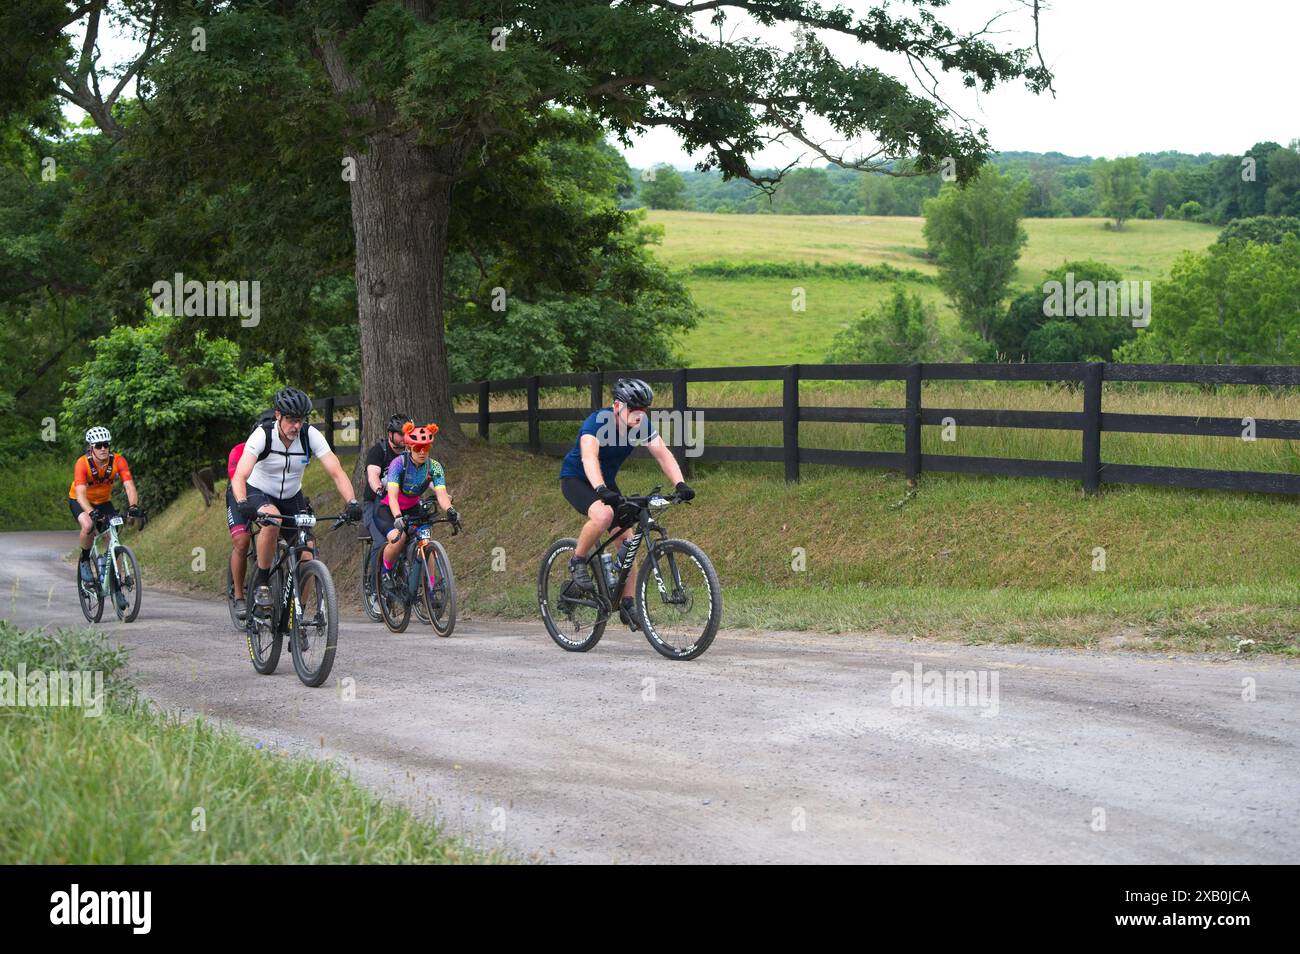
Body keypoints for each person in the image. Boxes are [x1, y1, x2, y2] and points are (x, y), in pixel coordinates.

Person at [558, 378, 694, 630]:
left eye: (644, 411)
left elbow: (663, 454)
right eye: (634, 410)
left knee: (628, 542)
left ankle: (628, 604)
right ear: (618, 406)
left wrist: (680, 484)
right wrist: (600, 489)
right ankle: (577, 560)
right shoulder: (599, 422)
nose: (639, 416)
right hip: (577, 478)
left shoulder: (641, 424)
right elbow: (589, 458)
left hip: (605, 483)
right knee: (602, 517)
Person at [230, 387, 363, 616]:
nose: (297, 426)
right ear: (278, 415)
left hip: (292, 496)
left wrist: (351, 502)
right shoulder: (263, 434)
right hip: (259, 490)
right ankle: (262, 582)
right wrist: (242, 502)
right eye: (291, 419)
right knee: (271, 522)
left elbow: (337, 472)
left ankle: (296, 616)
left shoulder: (309, 435)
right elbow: (240, 474)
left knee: (307, 552)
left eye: (301, 420)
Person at [376, 422, 460, 589]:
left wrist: (450, 510)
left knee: (426, 541)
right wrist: (398, 517)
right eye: (418, 448)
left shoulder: (434, 466)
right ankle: (385, 572)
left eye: (426, 448)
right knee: (399, 539)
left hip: (414, 508)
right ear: (409, 447)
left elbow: (442, 495)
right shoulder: (398, 464)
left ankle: (432, 588)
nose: (422, 452)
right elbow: (392, 496)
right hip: (389, 510)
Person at [69, 426, 142, 589]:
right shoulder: (82, 464)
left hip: (103, 502)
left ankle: (117, 579)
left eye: (106, 445)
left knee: (113, 535)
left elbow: (129, 485)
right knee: (88, 525)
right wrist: (90, 512)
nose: (103, 448)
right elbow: (80, 494)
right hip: (80, 501)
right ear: (91, 448)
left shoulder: (118, 460)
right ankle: (85, 561)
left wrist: (133, 506)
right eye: (98, 445)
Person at [225, 409, 275, 620]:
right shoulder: (240, 450)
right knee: (242, 540)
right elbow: (238, 480)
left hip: (266, 495)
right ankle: (238, 596)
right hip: (240, 495)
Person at [362, 414, 413, 586]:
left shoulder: (411, 453)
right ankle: (374, 585)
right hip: (375, 504)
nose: (405, 438)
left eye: (408, 434)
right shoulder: (379, 451)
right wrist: (379, 489)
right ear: (390, 434)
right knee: (382, 540)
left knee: (415, 535)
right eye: (401, 434)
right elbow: (373, 475)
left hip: (401, 504)